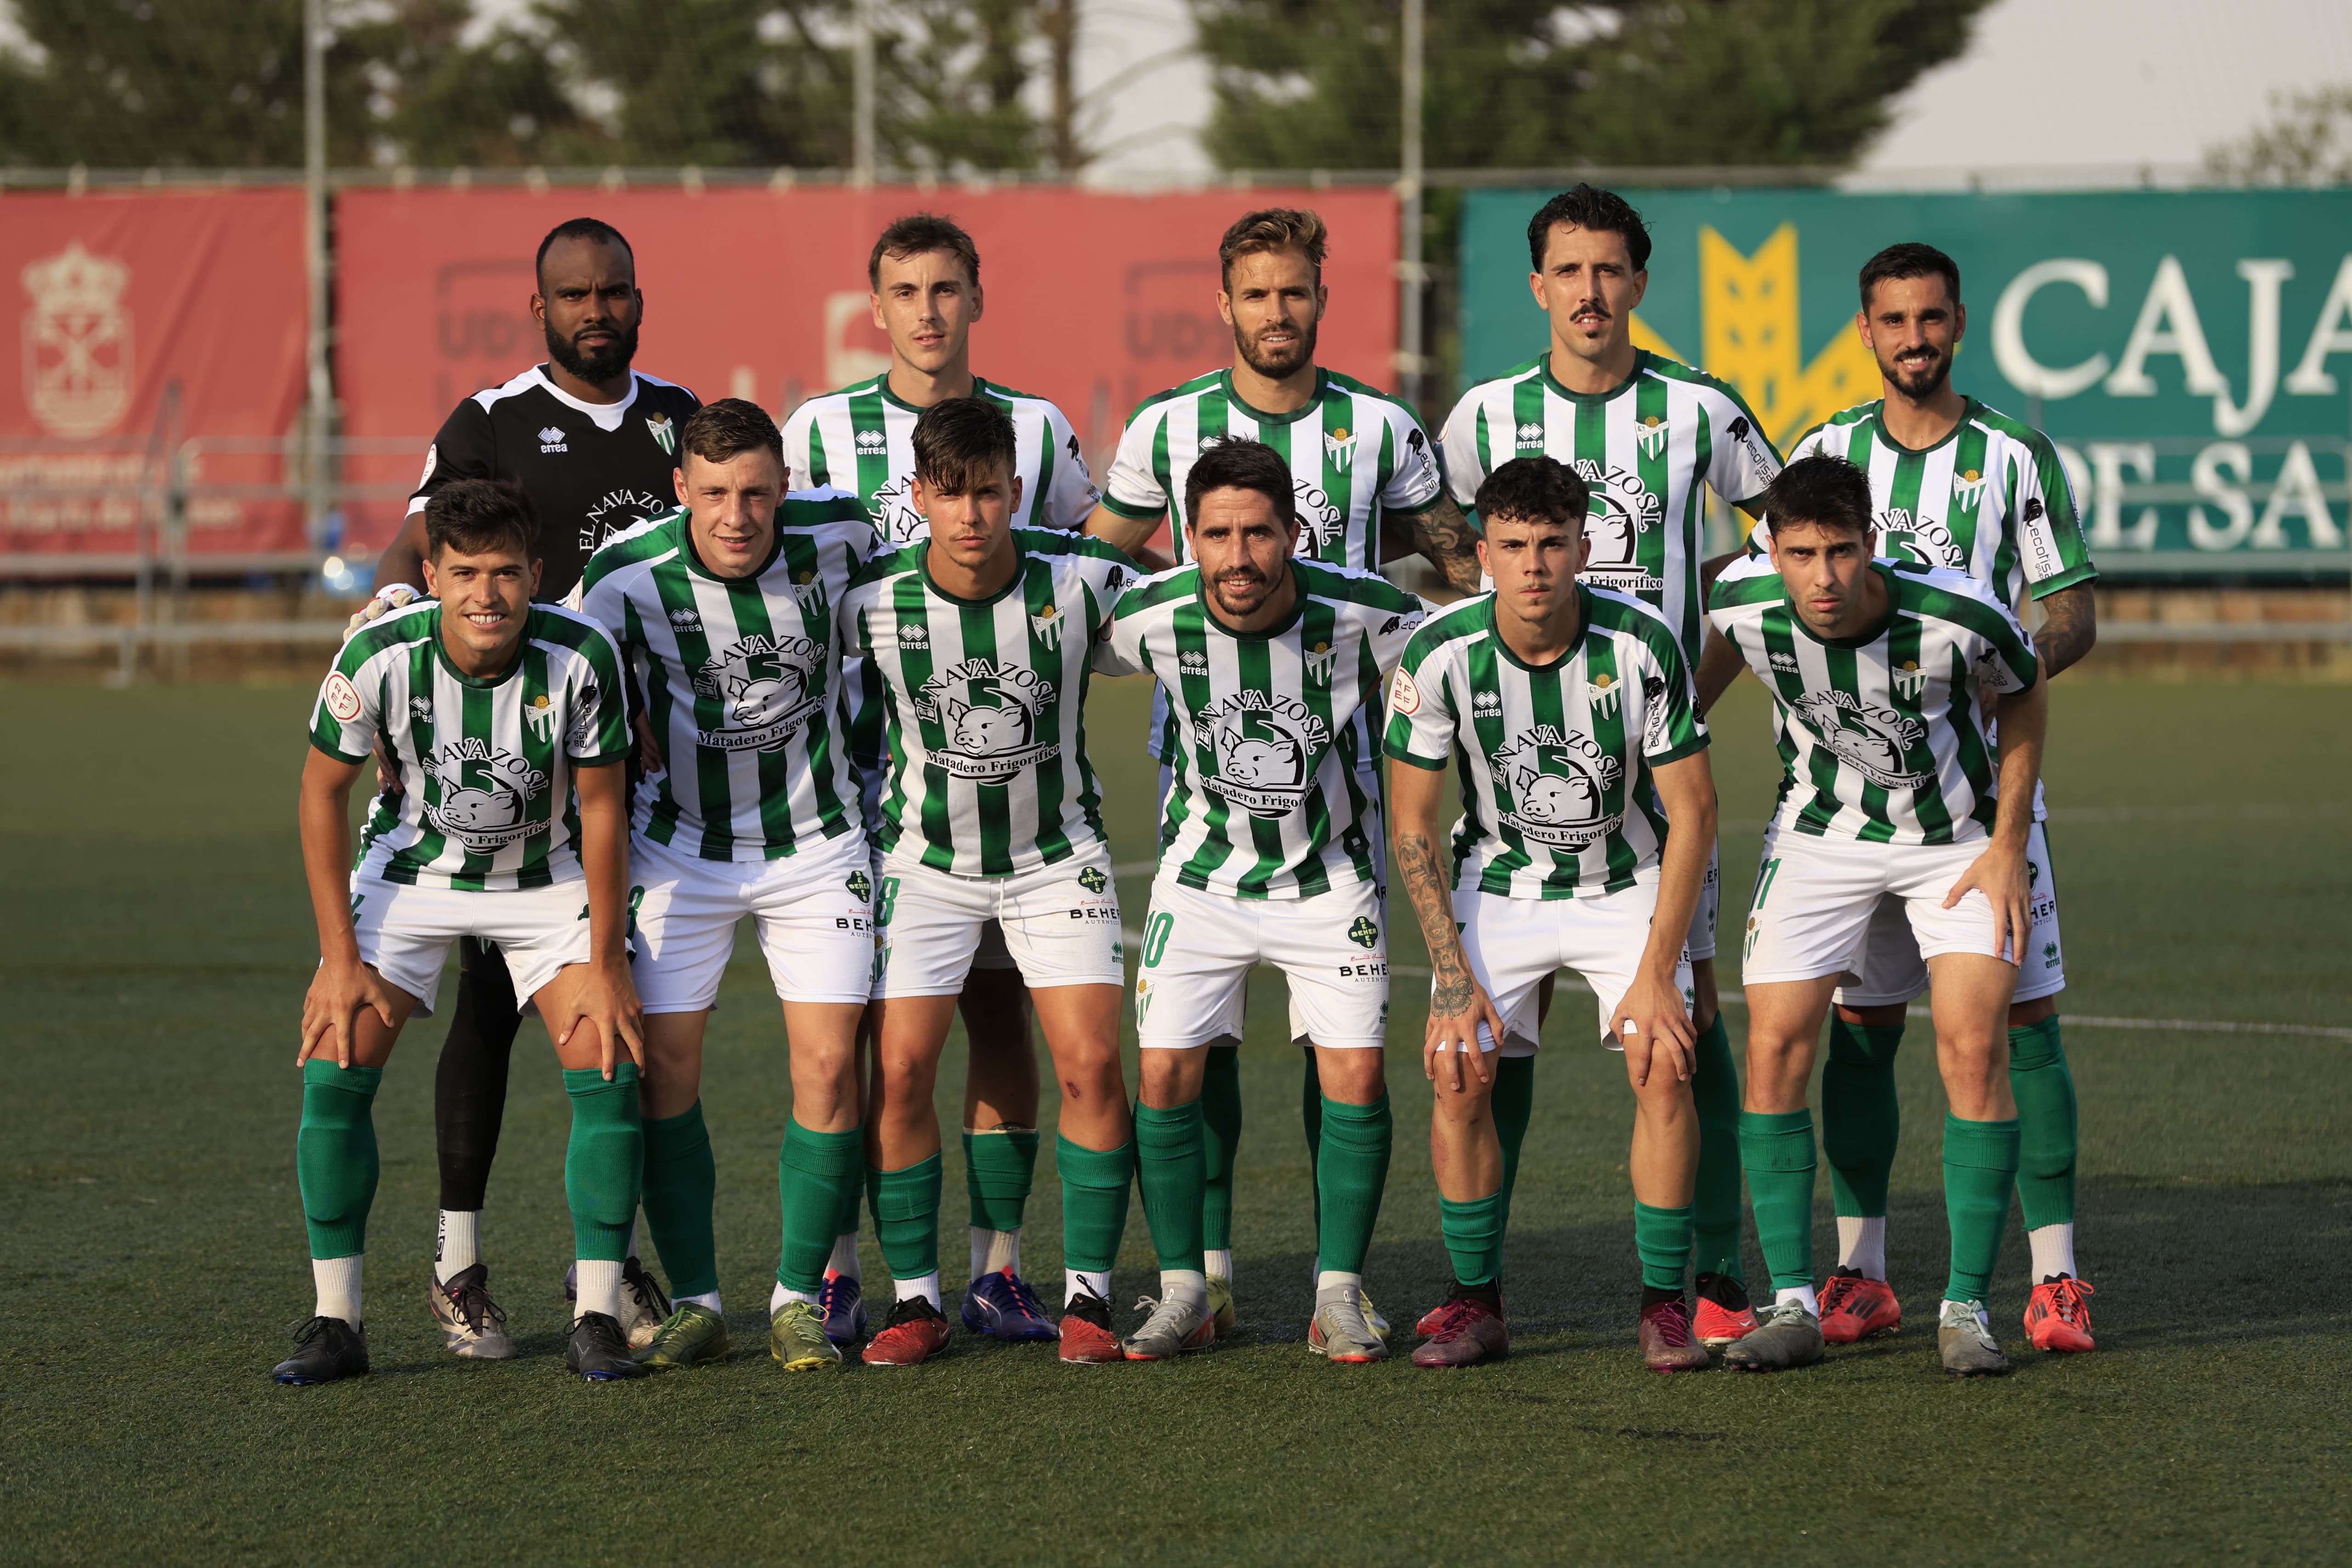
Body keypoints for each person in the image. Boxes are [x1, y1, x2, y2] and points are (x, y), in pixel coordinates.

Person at [1085, 208, 1479, 1330]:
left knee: (1336, 1050)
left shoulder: (1378, 428)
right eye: (1255, 293)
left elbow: (1454, 564)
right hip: (1204, 765)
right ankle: (1197, 1272)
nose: (1275, 311)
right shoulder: (1166, 429)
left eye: (1294, 291)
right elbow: (1092, 571)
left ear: (1320, 296)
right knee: (1190, 1046)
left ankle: (1332, 1281)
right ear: (1226, 303)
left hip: (1346, 761)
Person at [1437, 183, 1781, 1347]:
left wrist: (1684, 694)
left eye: (1609, 271)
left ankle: (1719, 1277)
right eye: (1566, 272)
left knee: (1689, 1020)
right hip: (1513, 789)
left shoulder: (1700, 413)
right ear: (1538, 287)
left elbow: (1777, 557)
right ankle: (1481, 1283)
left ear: (1638, 283)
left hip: (1655, 783)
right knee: (1497, 1031)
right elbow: (1450, 565)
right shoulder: (1482, 416)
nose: (1589, 293)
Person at [350, 216, 698, 1353]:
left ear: (639, 298)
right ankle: (459, 1262)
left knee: (628, 1017)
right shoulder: (491, 421)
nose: (596, 309)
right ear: (538, 307)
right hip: (516, 774)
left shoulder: (678, 420)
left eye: (614, 291)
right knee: (491, 1008)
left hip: (654, 769)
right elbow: (418, 547)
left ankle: (611, 1262)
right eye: (574, 294)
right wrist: (389, 607)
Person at [1745, 242, 2099, 1353]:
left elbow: (2071, 608)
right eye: (1892, 321)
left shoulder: (2011, 455)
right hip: (1844, 800)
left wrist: (2006, 670)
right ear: (1865, 331)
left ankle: (2053, 1278)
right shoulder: (1825, 452)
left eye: (1930, 319)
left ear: (1957, 323)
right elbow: (1755, 603)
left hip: (1976, 794)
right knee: (1858, 1028)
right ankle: (1860, 1272)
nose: (1913, 339)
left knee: (2017, 1027)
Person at [784, 214, 1094, 1341]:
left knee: (999, 1009)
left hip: (1000, 783)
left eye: (946, 288)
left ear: (978, 298)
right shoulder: (816, 432)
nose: (927, 310)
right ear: (874, 308)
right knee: (867, 1034)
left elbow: (1070, 578)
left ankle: (997, 1266)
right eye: (905, 290)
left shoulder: (1041, 431)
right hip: (855, 786)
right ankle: (841, 1267)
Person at [277, 478, 645, 1385]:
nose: (488, 594)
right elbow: (321, 793)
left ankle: (596, 1315)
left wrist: (604, 961)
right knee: (336, 1058)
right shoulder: (375, 655)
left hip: (545, 877)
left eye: (508, 574)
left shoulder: (580, 656)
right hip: (414, 874)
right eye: (467, 573)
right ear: (432, 574)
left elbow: (603, 811)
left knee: (607, 1057)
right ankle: (336, 1322)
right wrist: (337, 958)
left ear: (537, 575)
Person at [1702, 454, 2046, 1377]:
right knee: (1774, 1047)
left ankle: (1966, 1309)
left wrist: (2008, 842)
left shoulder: (1957, 614)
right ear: (1770, 547)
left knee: (1973, 1049)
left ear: (1871, 543)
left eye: (1842, 552)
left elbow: (2024, 691)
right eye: (1802, 552)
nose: (1823, 576)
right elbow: (1689, 699)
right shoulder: (1738, 606)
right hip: (1820, 838)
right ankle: (1791, 1304)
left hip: (1955, 843)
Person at [1094, 438, 1430, 1364]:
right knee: (1165, 1080)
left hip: (1329, 880)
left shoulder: (1368, 613)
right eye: (1216, 535)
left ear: (1293, 531)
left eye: (1257, 533)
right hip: (1200, 880)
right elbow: (1051, 653)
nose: (1237, 556)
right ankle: (1184, 1291)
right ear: (1187, 539)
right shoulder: (1151, 616)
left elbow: (1457, 656)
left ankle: (1339, 1295)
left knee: (1355, 1079)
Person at [1385, 456, 1717, 1371]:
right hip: (1500, 884)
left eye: (1552, 545)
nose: (1534, 565)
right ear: (1482, 553)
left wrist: (1659, 972)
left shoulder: (1642, 644)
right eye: (1514, 547)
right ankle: (1474, 1304)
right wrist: (1451, 980)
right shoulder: (1438, 651)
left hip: (1624, 882)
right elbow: (1410, 820)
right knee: (1459, 1069)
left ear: (1583, 546)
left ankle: (1663, 1305)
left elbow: (1693, 810)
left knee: (1662, 1061)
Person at [572, 400, 878, 1372]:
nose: (736, 516)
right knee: (662, 1075)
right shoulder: (623, 576)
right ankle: (699, 1299)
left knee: (831, 1071)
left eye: (754, 493)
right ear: (680, 491)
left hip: (817, 844)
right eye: (713, 495)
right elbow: (562, 664)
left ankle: (795, 1298)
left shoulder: (843, 536)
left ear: (785, 487)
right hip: (677, 850)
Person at [836, 397, 1142, 1366]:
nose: (971, 516)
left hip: (1057, 862)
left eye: (987, 494)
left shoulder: (1086, 582)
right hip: (924, 868)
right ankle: (913, 1299)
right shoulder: (869, 600)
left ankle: (1088, 1291)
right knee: (897, 1073)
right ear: (919, 497)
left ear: (1016, 490)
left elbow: (1201, 623)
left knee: (1091, 1065)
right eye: (951, 495)